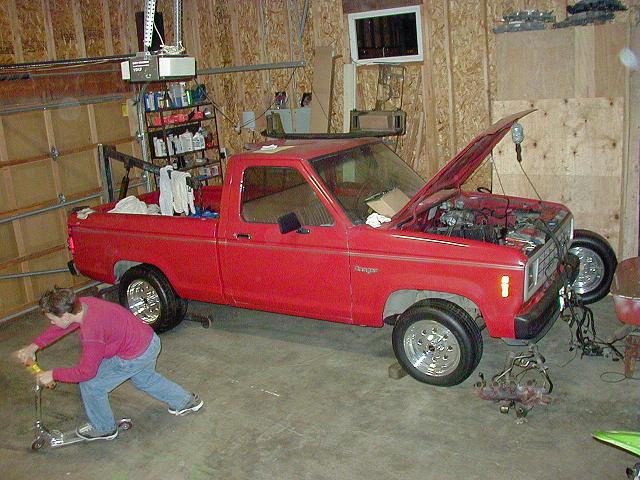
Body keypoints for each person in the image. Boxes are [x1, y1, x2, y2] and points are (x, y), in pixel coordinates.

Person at [16, 287, 203, 441]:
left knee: (91, 385)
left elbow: (86, 372)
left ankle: (104, 428)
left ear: (65, 315)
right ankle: (185, 401)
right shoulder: (82, 304)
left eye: (52, 319)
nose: (51, 322)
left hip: (135, 355)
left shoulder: (92, 331)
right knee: (144, 379)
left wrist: (53, 374)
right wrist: (34, 346)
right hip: (149, 341)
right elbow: (64, 326)